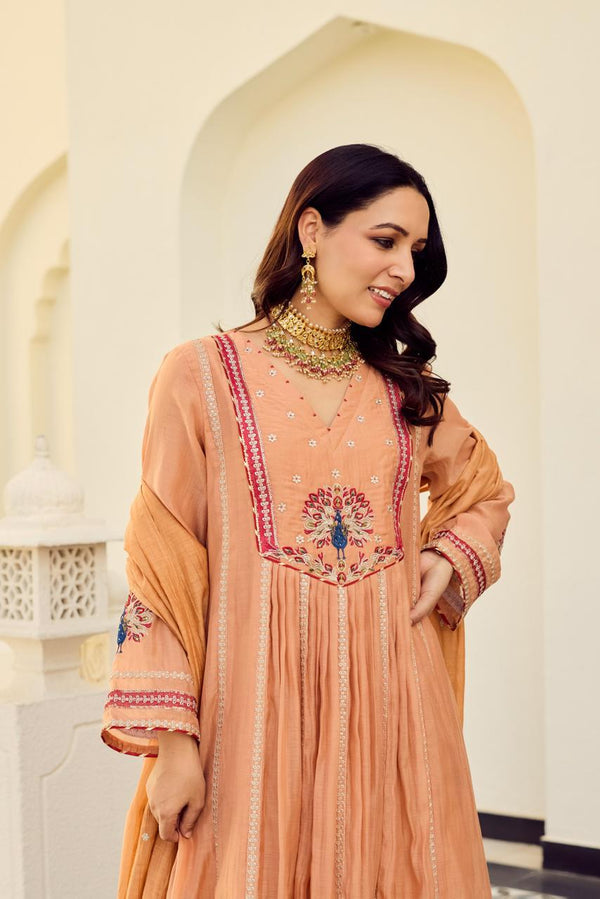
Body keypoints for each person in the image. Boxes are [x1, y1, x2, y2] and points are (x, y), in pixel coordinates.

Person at [102, 143, 515, 898]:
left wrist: (448, 556)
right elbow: (164, 564)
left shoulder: (406, 393)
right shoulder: (199, 376)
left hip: (394, 715)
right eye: (385, 240)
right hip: (250, 720)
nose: (403, 269)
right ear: (313, 230)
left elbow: (485, 491)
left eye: (416, 252)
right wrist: (173, 743)